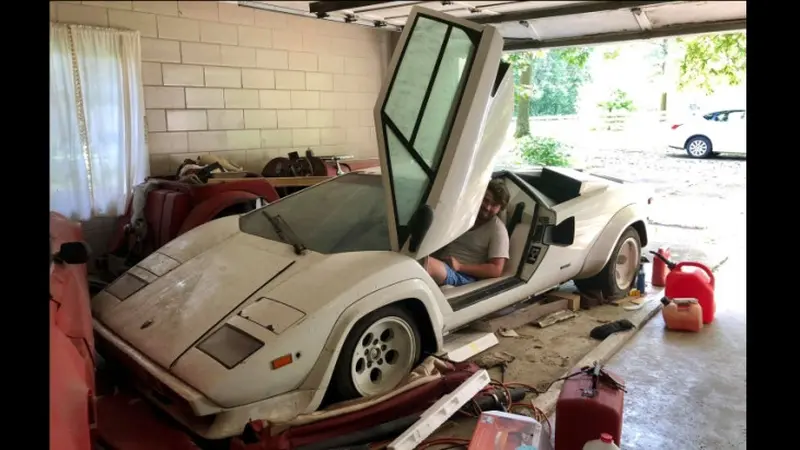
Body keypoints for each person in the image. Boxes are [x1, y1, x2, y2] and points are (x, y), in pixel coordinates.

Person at [423, 179, 510, 287]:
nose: (487, 207)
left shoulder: (498, 230)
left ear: (500, 209)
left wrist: (460, 266)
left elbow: (496, 269)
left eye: (494, 205)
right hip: (443, 265)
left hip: (464, 276)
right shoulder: (464, 215)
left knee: (427, 264)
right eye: (486, 200)